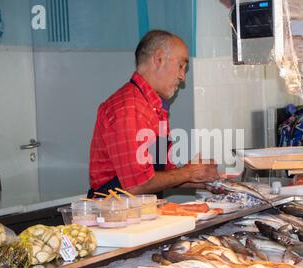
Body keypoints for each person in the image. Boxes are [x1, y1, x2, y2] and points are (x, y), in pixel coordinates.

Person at [88, 30, 220, 198]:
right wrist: (189, 172)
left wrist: (202, 179)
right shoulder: (129, 108)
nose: (182, 77)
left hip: (141, 213)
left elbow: (163, 174)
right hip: (114, 216)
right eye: (181, 66)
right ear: (159, 59)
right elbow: (137, 184)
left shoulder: (155, 108)